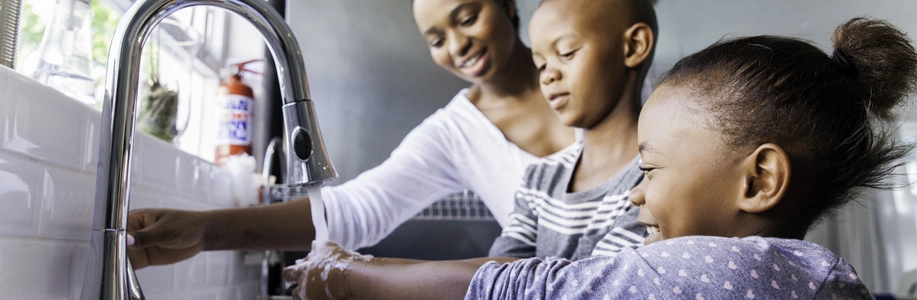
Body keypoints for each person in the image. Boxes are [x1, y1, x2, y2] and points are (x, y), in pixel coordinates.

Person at [282, 17, 917, 300]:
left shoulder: (717, 271)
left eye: (654, 167)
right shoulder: (797, 271)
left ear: (758, 179)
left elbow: (531, 287)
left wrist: (350, 278)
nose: (636, 192)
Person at [125, 0, 576, 269]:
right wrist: (203, 231)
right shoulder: (454, 133)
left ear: (508, 6)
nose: (458, 46)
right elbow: (356, 209)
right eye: (437, 40)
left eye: (467, 16)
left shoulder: (583, 64)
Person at [487, 0, 657, 260]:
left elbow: (593, 283)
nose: (547, 76)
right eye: (541, 64)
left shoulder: (656, 179)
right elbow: (495, 276)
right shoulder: (539, 179)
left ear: (634, 46)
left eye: (566, 53)